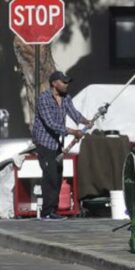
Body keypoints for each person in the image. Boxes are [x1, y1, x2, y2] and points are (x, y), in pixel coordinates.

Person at [32, 70, 92, 219]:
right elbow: (51, 123)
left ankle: (53, 210)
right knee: (50, 176)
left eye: (67, 82)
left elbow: (74, 113)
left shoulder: (66, 98)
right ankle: (47, 213)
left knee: (58, 176)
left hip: (57, 143)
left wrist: (86, 121)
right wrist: (74, 132)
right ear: (54, 83)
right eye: (63, 82)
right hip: (44, 142)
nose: (66, 85)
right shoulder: (44, 99)